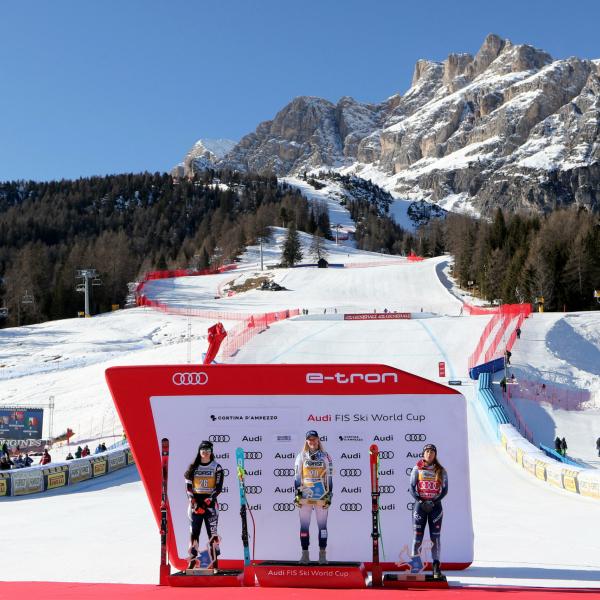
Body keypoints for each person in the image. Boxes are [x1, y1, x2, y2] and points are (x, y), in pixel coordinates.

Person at [409, 443, 448, 580]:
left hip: (435, 508)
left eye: (432, 452)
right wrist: (421, 501)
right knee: (417, 537)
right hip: (420, 507)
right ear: (423, 454)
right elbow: (412, 488)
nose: (429, 454)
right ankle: (415, 565)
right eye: (427, 452)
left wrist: (433, 502)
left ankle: (436, 566)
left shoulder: (441, 470)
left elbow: (444, 490)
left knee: (435, 537)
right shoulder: (416, 469)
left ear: (435, 455)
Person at [294, 430, 333, 565]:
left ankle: (322, 556)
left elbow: (329, 478)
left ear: (318, 440)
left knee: (322, 527)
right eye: (309, 439)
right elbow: (297, 477)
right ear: (306, 441)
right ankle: (305, 555)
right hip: (305, 496)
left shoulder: (326, 457)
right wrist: (297, 496)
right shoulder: (301, 456)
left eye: (314, 439)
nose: (312, 442)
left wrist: (329, 496)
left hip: (321, 496)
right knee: (304, 527)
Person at [184, 440, 224, 570]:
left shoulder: (217, 467)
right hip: (195, 505)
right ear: (199, 452)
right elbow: (188, 488)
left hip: (210, 506)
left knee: (212, 534)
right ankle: (193, 561)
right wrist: (195, 504)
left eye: (208, 450)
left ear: (211, 452)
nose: (205, 452)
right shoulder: (193, 468)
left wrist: (206, 504)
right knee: (194, 533)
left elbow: (218, 488)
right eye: (203, 450)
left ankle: (215, 563)